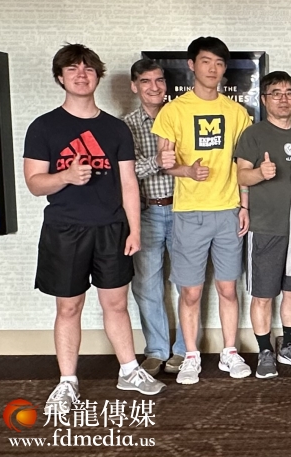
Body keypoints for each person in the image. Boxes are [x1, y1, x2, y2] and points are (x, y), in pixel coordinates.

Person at [24, 44, 165, 415]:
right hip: (65, 229)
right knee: (69, 307)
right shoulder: (44, 126)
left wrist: (134, 230)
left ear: (97, 76)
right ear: (60, 77)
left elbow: (129, 183)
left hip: (111, 228)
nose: (81, 75)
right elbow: (35, 183)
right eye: (72, 69)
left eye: (88, 69)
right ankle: (67, 381)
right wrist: (66, 176)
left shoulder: (115, 128)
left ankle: (129, 370)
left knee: (116, 304)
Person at [152, 36, 252, 384]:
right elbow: (165, 163)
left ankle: (230, 352)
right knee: (191, 291)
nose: (213, 69)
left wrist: (244, 205)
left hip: (228, 211)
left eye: (219, 63)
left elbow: (243, 163)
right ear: (192, 65)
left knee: (228, 288)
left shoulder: (237, 112)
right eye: (206, 61)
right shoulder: (173, 111)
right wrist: (187, 171)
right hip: (189, 212)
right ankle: (191, 355)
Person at [236, 71, 291, 378]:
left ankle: (289, 346)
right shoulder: (253, 134)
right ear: (264, 99)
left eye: (289, 93)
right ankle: (265, 351)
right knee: (263, 294)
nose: (283, 99)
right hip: (265, 227)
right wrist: (260, 173)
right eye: (276, 93)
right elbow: (240, 175)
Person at [123, 58, 189, 376]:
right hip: (146, 212)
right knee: (147, 285)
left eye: (159, 80)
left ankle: (185, 351)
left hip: (184, 210)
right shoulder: (125, 125)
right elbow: (125, 172)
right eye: (146, 81)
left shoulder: (181, 116)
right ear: (134, 86)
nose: (154, 87)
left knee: (188, 283)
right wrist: (158, 161)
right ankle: (157, 350)